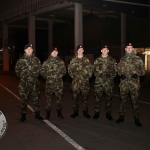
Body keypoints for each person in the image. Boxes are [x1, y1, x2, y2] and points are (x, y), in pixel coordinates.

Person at [115, 43, 145, 127]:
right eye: (127, 48)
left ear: (133, 49)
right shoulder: (122, 59)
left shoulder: (137, 59)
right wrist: (121, 74)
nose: (129, 49)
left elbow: (143, 71)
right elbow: (118, 70)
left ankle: (137, 119)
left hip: (134, 85)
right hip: (124, 84)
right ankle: (121, 117)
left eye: (130, 48)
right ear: (125, 49)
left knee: (135, 102)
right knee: (123, 101)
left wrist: (137, 74)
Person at [15, 44, 44, 122]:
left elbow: (40, 69)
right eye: (27, 49)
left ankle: (37, 114)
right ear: (24, 50)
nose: (29, 50)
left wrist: (35, 75)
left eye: (30, 49)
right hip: (24, 83)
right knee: (24, 100)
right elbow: (17, 71)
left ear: (32, 50)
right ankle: (23, 115)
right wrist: (24, 76)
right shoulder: (21, 60)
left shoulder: (36, 59)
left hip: (34, 83)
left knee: (36, 99)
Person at [68, 44, 93, 118]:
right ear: (77, 51)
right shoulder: (73, 60)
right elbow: (69, 70)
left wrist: (86, 77)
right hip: (76, 83)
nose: (80, 51)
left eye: (81, 50)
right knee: (75, 98)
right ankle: (75, 112)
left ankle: (85, 112)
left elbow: (90, 71)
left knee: (85, 98)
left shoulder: (86, 60)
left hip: (84, 83)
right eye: (79, 50)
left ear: (83, 51)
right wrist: (75, 77)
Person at [40, 47, 66, 119]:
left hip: (59, 84)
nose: (54, 53)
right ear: (50, 53)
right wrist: (48, 77)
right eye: (53, 52)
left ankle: (59, 113)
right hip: (49, 84)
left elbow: (64, 71)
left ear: (57, 53)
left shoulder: (61, 62)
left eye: (56, 52)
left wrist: (58, 76)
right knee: (49, 99)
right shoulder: (46, 62)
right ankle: (48, 114)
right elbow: (42, 71)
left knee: (59, 99)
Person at [93, 45, 117, 120]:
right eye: (103, 49)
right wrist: (99, 74)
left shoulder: (112, 60)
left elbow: (115, 71)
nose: (104, 51)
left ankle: (108, 113)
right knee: (97, 98)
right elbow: (93, 71)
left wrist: (110, 76)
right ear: (101, 51)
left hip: (108, 83)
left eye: (106, 49)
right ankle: (97, 112)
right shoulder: (97, 60)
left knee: (108, 99)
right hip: (99, 82)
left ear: (108, 51)